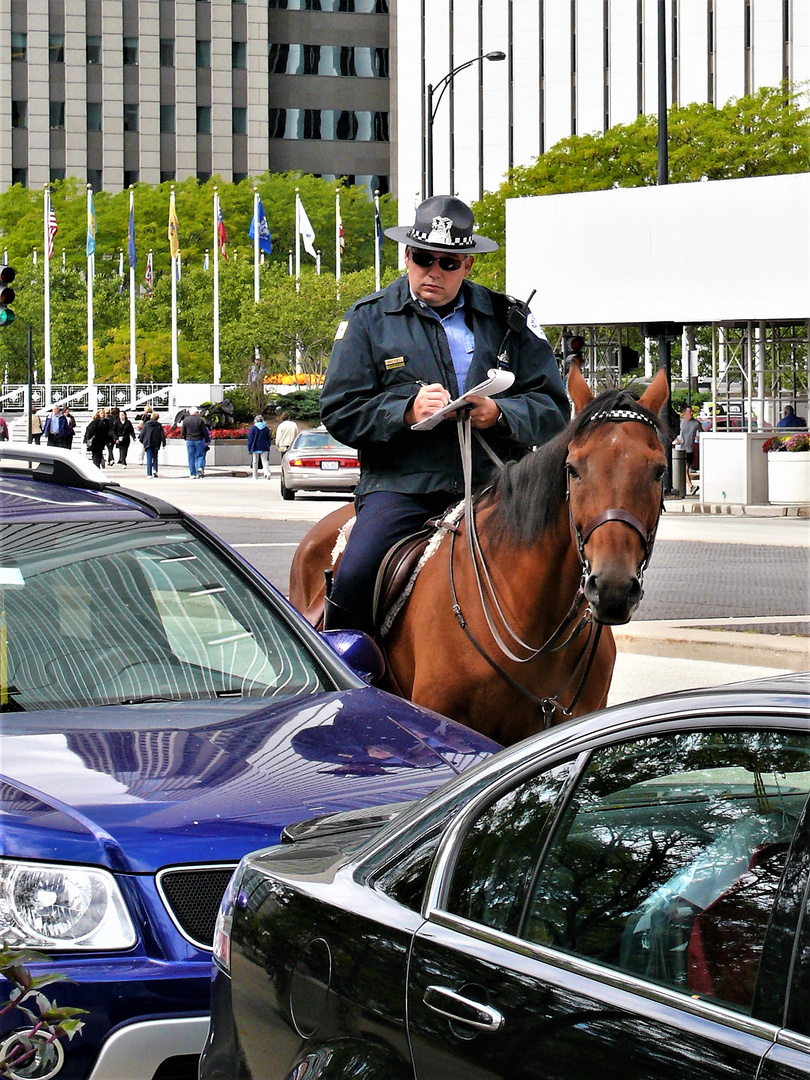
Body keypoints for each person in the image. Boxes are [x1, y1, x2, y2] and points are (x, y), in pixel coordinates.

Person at [319, 194, 571, 634]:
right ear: (407, 255)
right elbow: (340, 410)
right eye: (422, 258)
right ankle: (347, 678)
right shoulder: (369, 319)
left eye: (448, 263)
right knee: (356, 574)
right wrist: (404, 410)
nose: (433, 271)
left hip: (498, 488)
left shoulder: (509, 319)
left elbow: (554, 408)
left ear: (468, 265)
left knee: (567, 570)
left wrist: (501, 413)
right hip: (404, 487)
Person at [676, 405, 702, 495]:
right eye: (689, 412)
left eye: (692, 412)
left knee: (685, 469)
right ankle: (691, 486)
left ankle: (687, 487)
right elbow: (672, 431)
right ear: (684, 413)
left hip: (690, 449)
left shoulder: (696, 423)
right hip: (680, 449)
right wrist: (676, 439)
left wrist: (700, 437)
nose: (691, 413)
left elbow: (702, 432)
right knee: (685, 468)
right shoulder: (680, 422)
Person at [180, 406, 209, 478]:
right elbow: (204, 431)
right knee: (200, 455)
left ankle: (192, 474)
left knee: (191, 457)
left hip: (189, 440)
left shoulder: (186, 420)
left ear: (190, 412)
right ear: (196, 412)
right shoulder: (200, 420)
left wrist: (185, 438)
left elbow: (183, 431)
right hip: (198, 439)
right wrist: (207, 440)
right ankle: (200, 467)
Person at [139, 411, 166, 477]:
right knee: (155, 457)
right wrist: (163, 443)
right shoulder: (159, 425)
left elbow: (142, 433)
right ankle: (155, 470)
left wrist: (142, 440)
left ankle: (149, 473)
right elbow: (162, 434)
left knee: (149, 457)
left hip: (148, 442)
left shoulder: (146, 424)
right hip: (156, 442)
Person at [247, 414, 272, 479]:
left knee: (255, 461)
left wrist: (249, 448)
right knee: (265, 461)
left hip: (255, 446)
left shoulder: (253, 428)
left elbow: (250, 439)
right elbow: (269, 438)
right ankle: (267, 473)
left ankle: (255, 476)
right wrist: (268, 445)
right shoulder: (266, 428)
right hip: (264, 446)